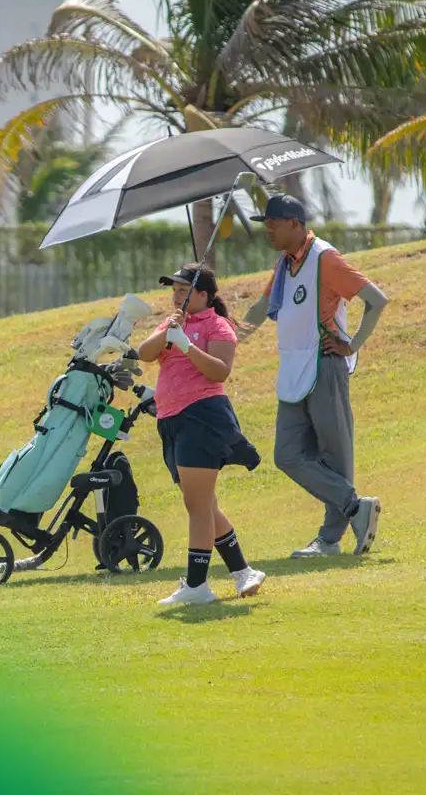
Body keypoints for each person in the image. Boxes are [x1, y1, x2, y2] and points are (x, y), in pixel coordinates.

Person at [238, 195, 390, 558]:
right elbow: (263, 307)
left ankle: (330, 539)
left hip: (325, 364)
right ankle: (355, 507)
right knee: (286, 455)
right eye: (266, 223)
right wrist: (227, 336)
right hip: (294, 369)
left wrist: (352, 345)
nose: (268, 230)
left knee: (335, 455)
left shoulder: (325, 258)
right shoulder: (284, 263)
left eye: (273, 223)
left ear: (295, 223)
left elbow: (376, 300)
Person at [136, 263, 265, 605]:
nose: (176, 296)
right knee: (204, 503)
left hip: (203, 416)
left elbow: (220, 371)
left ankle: (196, 586)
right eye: (174, 290)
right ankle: (243, 572)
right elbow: (144, 354)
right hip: (171, 419)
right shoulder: (172, 323)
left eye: (184, 290)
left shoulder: (217, 325)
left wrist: (186, 346)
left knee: (196, 504)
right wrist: (169, 333)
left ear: (204, 295)